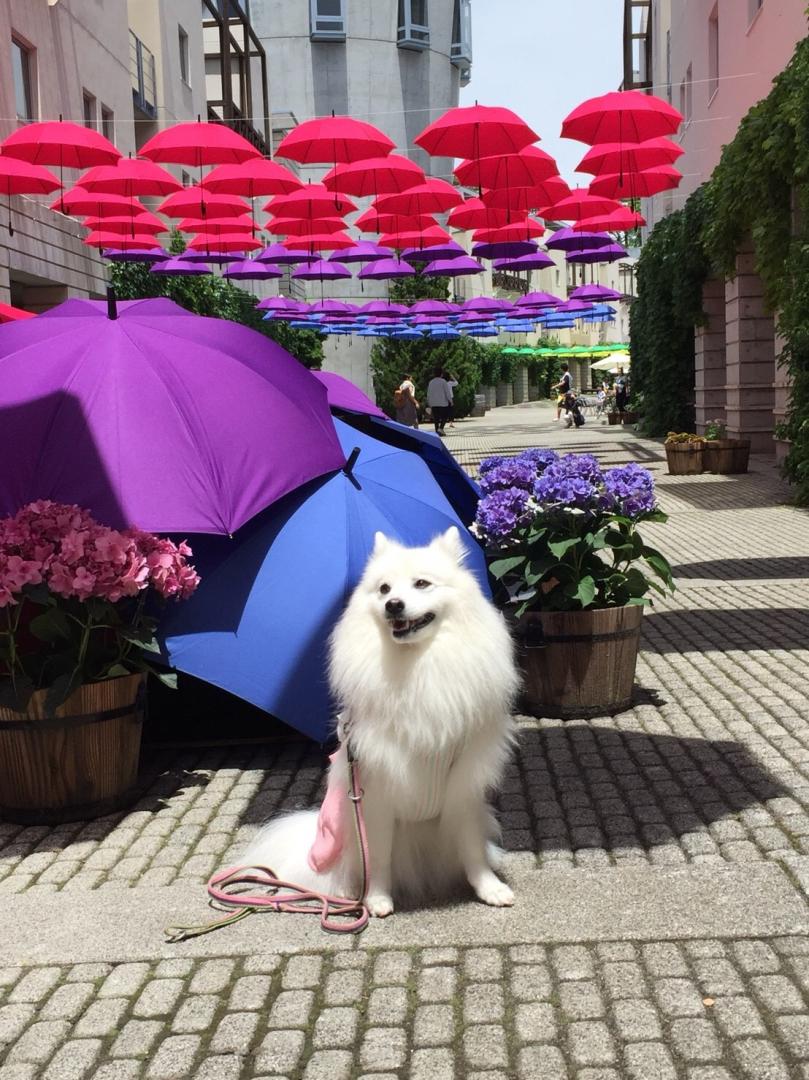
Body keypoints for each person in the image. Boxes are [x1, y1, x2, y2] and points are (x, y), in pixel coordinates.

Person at [427, 368, 453, 436]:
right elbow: (447, 392)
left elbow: (428, 393)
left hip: (434, 403)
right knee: (445, 416)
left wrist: (429, 402)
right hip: (443, 403)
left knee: (436, 418)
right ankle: (441, 428)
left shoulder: (431, 382)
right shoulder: (443, 381)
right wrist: (451, 400)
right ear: (441, 374)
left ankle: (437, 431)